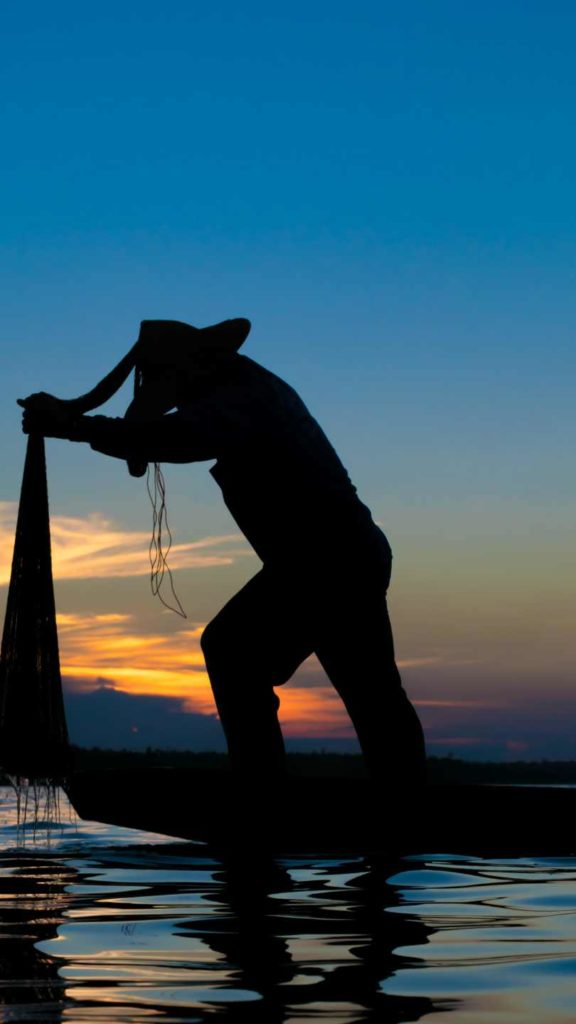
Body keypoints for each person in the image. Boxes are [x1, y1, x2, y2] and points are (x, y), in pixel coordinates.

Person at [20, 318, 426, 795]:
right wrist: (80, 424)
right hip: (339, 557)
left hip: (326, 560)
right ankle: (402, 805)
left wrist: (75, 427)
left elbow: (176, 438)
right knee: (370, 693)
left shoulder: (245, 397)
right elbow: (156, 434)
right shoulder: (237, 390)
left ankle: (264, 794)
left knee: (236, 652)